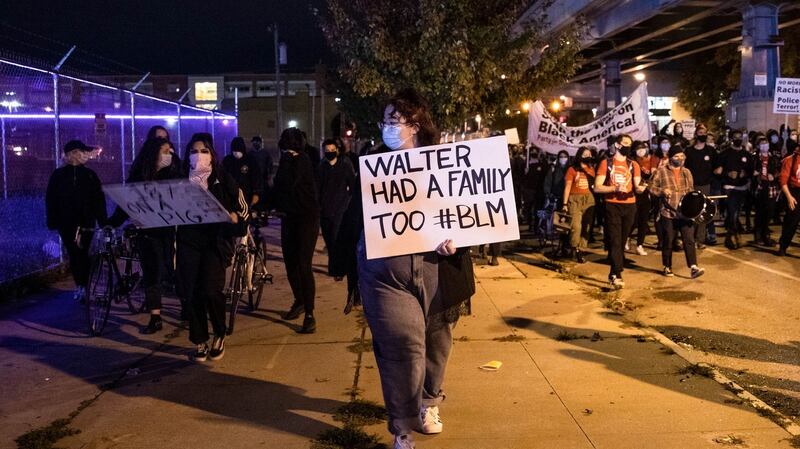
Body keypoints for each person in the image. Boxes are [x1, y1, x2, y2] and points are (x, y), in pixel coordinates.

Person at [357, 88, 474, 449]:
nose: (388, 128)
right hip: (385, 273)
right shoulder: (372, 163)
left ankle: (429, 401)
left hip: (436, 266)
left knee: (437, 343)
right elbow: (357, 215)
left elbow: (466, 209)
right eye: (385, 121)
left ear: (416, 124)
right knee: (401, 346)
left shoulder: (443, 163)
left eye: (396, 121)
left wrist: (458, 237)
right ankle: (403, 426)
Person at [177, 133, 248, 362]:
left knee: (211, 289)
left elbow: (241, 207)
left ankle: (219, 332)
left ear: (212, 155)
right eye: (194, 151)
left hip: (215, 243)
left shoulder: (222, 178)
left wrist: (237, 220)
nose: (199, 156)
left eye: (204, 151)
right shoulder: (179, 179)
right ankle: (200, 340)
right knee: (192, 292)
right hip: (189, 242)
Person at [108, 137, 183, 333]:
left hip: (170, 231)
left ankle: (186, 306)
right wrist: (113, 221)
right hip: (147, 231)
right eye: (165, 151)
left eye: (171, 150)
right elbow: (128, 201)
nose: (170, 154)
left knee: (173, 271)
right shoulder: (140, 174)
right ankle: (155, 316)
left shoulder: (175, 172)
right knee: (151, 273)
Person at [271, 127, 321, 334]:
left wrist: (288, 160)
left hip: (306, 218)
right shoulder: (287, 160)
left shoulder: (302, 160)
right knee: (290, 263)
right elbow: (278, 188)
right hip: (289, 218)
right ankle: (299, 300)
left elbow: (289, 183)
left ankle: (310, 314)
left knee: (303, 264)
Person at [45, 140, 107, 302]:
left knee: (83, 252)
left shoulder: (89, 175)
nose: (85, 155)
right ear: (72, 154)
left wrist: (103, 221)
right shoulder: (58, 175)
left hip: (87, 221)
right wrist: (52, 220)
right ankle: (80, 284)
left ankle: (83, 285)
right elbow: (51, 199)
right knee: (74, 252)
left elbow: (98, 199)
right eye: (81, 152)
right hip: (66, 222)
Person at [594, 134, 644, 289]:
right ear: (617, 145)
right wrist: (614, 188)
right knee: (615, 240)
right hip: (612, 205)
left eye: (630, 144)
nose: (628, 147)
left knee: (622, 241)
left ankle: (612, 273)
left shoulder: (633, 164)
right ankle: (618, 274)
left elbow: (637, 186)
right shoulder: (606, 163)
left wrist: (641, 188)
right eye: (625, 143)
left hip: (630, 205)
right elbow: (597, 187)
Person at [649, 145, 705, 278]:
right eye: (676, 156)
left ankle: (693, 267)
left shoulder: (687, 172)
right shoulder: (661, 171)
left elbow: (690, 190)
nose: (679, 158)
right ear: (670, 157)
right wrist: (662, 191)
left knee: (689, 239)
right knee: (668, 240)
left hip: (685, 212)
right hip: (668, 212)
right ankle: (667, 266)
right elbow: (650, 186)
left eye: (682, 156)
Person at [317, 138, 356, 277]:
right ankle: (336, 267)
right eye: (327, 151)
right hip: (325, 210)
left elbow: (352, 185)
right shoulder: (322, 166)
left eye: (332, 151)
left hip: (341, 209)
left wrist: (348, 203)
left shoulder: (345, 164)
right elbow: (318, 188)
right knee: (329, 240)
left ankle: (337, 270)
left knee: (336, 239)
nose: (330, 153)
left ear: (337, 151)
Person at [714, 129, 753, 249]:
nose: (738, 139)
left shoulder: (747, 155)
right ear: (731, 139)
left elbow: (751, 170)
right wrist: (728, 174)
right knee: (733, 213)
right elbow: (717, 171)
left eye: (740, 137)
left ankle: (731, 235)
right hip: (729, 188)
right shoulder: (725, 154)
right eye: (735, 137)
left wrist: (744, 174)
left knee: (736, 213)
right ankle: (734, 236)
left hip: (742, 188)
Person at [684, 124, 716, 247]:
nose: (703, 135)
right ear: (696, 134)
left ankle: (700, 239)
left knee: (703, 212)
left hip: (705, 185)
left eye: (705, 133)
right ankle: (689, 238)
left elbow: (717, 167)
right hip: (691, 186)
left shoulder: (711, 151)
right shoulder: (689, 151)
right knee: (691, 212)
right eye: (700, 133)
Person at [562, 146, 596, 263]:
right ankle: (575, 248)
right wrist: (565, 203)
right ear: (579, 156)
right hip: (574, 200)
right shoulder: (572, 169)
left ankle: (581, 248)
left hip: (589, 200)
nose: (588, 156)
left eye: (589, 154)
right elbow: (567, 187)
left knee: (586, 227)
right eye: (585, 154)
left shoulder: (591, 169)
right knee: (576, 227)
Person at [753, 136, 780, 246]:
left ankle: (765, 233)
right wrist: (756, 173)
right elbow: (751, 171)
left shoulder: (773, 158)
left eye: (766, 143)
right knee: (760, 212)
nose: (765, 145)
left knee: (769, 212)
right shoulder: (755, 158)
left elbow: (779, 170)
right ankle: (759, 235)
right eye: (762, 143)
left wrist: (773, 175)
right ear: (758, 146)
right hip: (760, 188)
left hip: (771, 187)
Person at [222, 137, 263, 207]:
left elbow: (256, 177)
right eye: (235, 151)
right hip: (230, 195)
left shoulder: (250, 160)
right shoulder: (227, 161)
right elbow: (222, 176)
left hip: (247, 194)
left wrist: (256, 193)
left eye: (239, 151)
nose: (237, 153)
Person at [628, 141, 652, 256]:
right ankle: (627, 237)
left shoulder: (649, 161)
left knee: (643, 220)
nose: (642, 150)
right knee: (633, 220)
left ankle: (640, 245)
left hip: (645, 193)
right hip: (633, 194)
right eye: (639, 148)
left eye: (643, 148)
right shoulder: (630, 163)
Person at [777, 142, 800, 256]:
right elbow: (783, 181)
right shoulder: (790, 159)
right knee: (792, 222)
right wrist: (789, 197)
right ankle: (783, 246)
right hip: (794, 192)